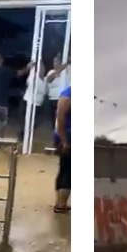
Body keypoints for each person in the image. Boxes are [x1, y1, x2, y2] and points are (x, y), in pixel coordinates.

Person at [53, 85, 70, 213]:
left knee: (64, 169)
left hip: (64, 136)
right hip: (68, 137)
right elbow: (60, 119)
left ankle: (59, 202)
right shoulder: (69, 96)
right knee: (69, 172)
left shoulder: (67, 93)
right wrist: (65, 142)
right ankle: (61, 204)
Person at [19, 61, 46, 142]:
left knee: (35, 123)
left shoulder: (44, 79)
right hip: (28, 102)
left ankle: (26, 138)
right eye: (40, 67)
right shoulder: (32, 76)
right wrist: (29, 67)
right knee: (25, 123)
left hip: (38, 105)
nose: (42, 69)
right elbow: (23, 75)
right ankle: (23, 138)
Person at [46, 55, 70, 132]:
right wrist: (61, 68)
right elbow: (49, 79)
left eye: (57, 61)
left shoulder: (68, 72)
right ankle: (56, 138)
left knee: (62, 120)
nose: (55, 63)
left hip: (64, 100)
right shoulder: (52, 72)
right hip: (53, 99)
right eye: (54, 62)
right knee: (54, 120)